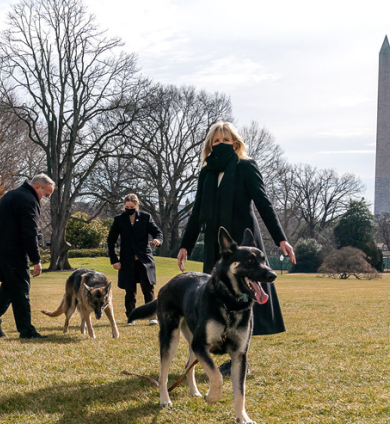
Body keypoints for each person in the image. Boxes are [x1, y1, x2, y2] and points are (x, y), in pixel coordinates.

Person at [176, 121, 296, 375]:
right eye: (215, 141)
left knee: (244, 298)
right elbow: (197, 212)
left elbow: (264, 204)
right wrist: (185, 245)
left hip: (242, 245)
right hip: (215, 246)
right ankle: (213, 349)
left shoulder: (246, 167)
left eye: (225, 140)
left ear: (236, 143)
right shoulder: (206, 173)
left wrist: (281, 239)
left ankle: (239, 357)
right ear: (210, 146)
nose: (220, 145)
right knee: (216, 299)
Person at [0, 174, 55, 339]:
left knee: (10, 285)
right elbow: (29, 233)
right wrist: (36, 260)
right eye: (47, 195)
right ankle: (26, 330)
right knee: (21, 289)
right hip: (12, 251)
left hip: (0, 248)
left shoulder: (12, 194)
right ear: (38, 187)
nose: (46, 199)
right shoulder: (29, 201)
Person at [107, 194, 163, 325]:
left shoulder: (146, 218)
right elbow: (111, 241)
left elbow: (158, 232)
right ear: (124, 206)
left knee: (148, 289)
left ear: (137, 205)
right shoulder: (119, 220)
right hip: (127, 260)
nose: (129, 209)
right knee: (130, 290)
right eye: (127, 207)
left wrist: (158, 240)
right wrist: (114, 260)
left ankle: (152, 316)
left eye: (132, 207)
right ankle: (131, 317)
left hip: (144, 259)